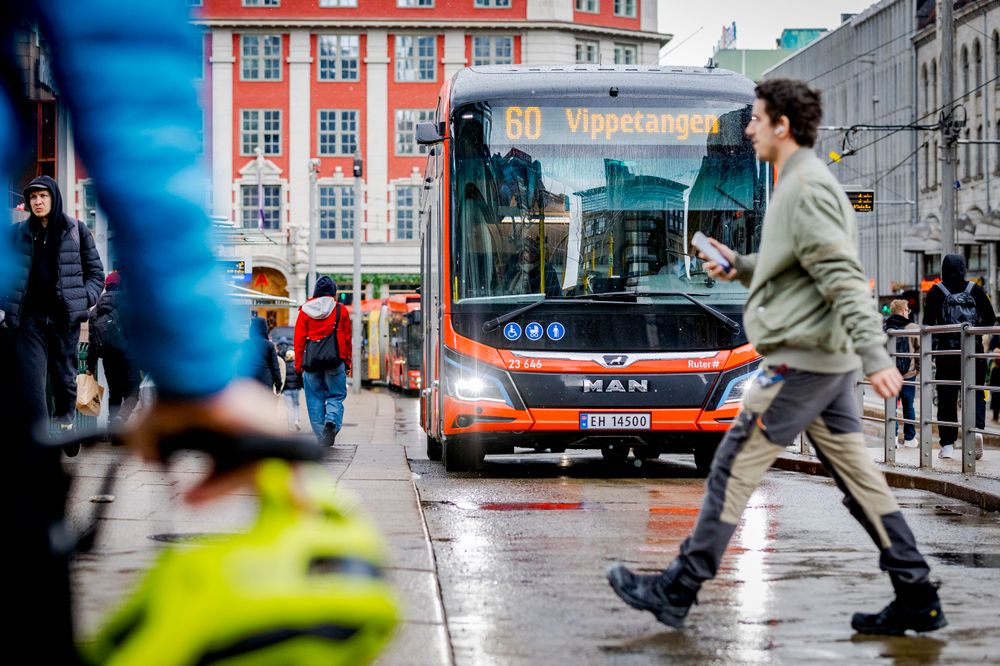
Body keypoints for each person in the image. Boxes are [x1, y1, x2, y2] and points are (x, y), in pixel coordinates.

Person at [607, 79, 946, 636]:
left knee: (732, 467)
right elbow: (798, 265)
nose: (748, 128)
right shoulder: (802, 182)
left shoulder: (806, 187)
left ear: (782, 125)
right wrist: (738, 266)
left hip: (804, 358)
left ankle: (678, 588)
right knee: (862, 480)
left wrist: (877, 355)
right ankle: (916, 593)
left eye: (757, 118)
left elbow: (839, 276)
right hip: (824, 359)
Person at [0, 2, 285, 661]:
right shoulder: (24, 232)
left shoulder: (67, 234)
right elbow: (127, 67)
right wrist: (204, 368)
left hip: (53, 324)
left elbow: (94, 274)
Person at [3, 175, 105, 437]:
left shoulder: (76, 230)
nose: (37, 202)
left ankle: (65, 425)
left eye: (43, 196)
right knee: (31, 381)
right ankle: (40, 436)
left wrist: (83, 301)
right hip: (29, 319)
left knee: (64, 378)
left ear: (54, 198)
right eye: (33, 197)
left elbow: (96, 274)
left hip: (64, 319)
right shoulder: (18, 233)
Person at [922, 254, 993, 461]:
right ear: (964, 268)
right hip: (974, 353)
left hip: (947, 354)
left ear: (944, 269)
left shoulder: (937, 291)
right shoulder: (975, 290)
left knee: (946, 396)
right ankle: (976, 431)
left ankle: (947, 445)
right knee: (976, 393)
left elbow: (928, 323)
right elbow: (990, 319)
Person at [294, 276, 351, 446]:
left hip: (311, 363)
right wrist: (347, 363)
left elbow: (298, 342)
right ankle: (331, 422)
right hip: (335, 360)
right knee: (336, 395)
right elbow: (347, 339)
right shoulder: (341, 310)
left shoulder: (304, 311)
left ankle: (322, 437)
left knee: (314, 399)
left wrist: (298, 367)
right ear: (333, 292)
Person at [86, 271, 141, 427]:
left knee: (114, 392)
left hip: (108, 358)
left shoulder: (95, 310)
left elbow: (92, 341)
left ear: (106, 286)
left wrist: (90, 366)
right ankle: (121, 418)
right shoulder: (129, 304)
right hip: (128, 356)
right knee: (133, 390)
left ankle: (114, 430)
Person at [884, 299, 920, 448]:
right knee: (908, 406)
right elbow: (920, 350)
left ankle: (892, 437)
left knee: (891, 406)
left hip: (890, 374)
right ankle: (910, 439)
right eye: (907, 310)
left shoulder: (885, 328)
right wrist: (917, 369)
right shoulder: (913, 327)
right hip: (908, 374)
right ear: (903, 311)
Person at [239, 316, 282, 393]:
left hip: (249, 382)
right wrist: (278, 384)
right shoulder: (269, 345)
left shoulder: (245, 344)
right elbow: (275, 367)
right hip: (266, 383)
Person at [283, 349, 303, 431]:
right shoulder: (296, 365)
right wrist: (302, 386)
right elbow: (300, 377)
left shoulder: (284, 366)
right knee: (296, 405)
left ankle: (290, 426)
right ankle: (296, 420)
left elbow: (282, 377)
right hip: (296, 388)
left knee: (288, 407)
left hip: (286, 389)